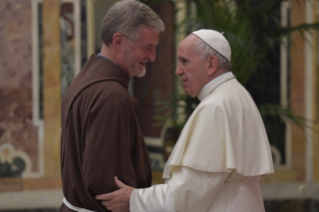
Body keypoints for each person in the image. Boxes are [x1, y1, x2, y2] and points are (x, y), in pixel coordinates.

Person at [96, 29, 274, 212]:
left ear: (211, 64)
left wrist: (134, 200)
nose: (177, 71)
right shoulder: (236, 94)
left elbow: (187, 195)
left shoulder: (215, 107)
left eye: (185, 61)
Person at [60, 1, 165, 212]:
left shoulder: (85, 79)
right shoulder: (111, 96)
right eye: (147, 48)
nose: (153, 57)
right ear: (118, 41)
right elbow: (107, 185)